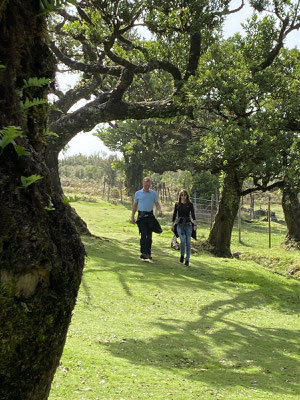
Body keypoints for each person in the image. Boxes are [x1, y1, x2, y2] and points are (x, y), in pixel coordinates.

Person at [131, 177, 163, 260]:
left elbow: (156, 203)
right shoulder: (138, 193)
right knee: (143, 234)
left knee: (149, 236)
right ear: (143, 184)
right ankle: (143, 253)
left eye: (148, 185)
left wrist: (160, 210)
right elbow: (135, 205)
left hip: (150, 217)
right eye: (145, 185)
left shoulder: (153, 193)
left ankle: (148, 253)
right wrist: (132, 216)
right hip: (141, 217)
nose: (146, 187)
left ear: (150, 185)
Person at [171, 189, 197, 266]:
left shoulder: (190, 204)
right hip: (179, 224)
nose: (183, 197)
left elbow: (193, 215)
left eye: (185, 195)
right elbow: (174, 215)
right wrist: (172, 224)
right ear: (180, 196)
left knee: (188, 241)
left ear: (187, 196)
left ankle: (187, 259)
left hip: (188, 224)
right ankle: (182, 255)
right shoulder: (177, 204)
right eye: (182, 195)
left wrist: (195, 224)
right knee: (182, 240)